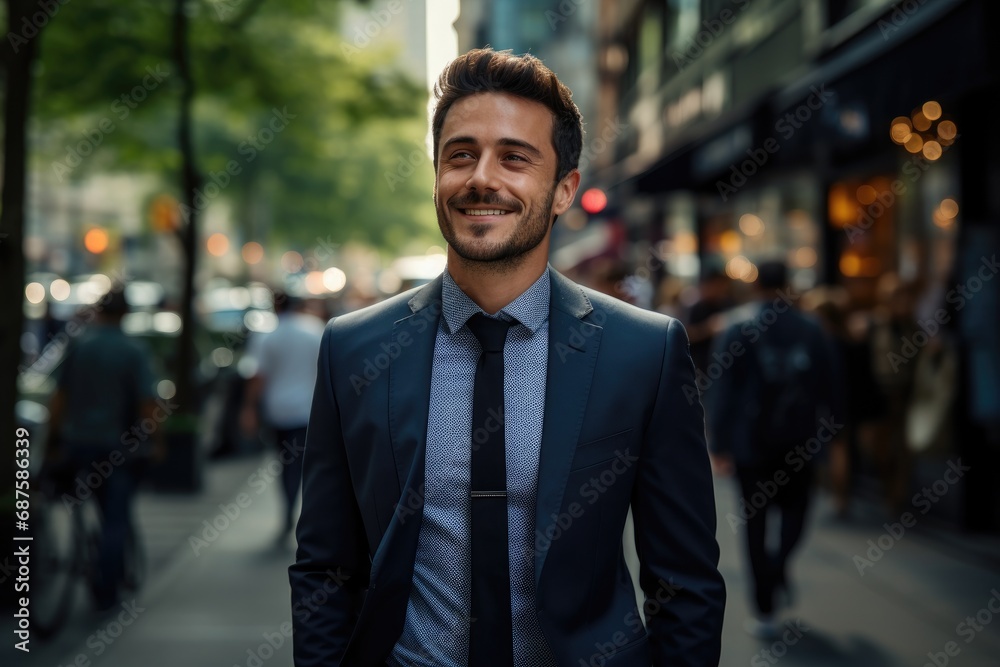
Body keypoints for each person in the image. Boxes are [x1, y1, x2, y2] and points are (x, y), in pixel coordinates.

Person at [289, 49, 725, 666]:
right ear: (436, 176)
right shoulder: (354, 348)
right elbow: (325, 567)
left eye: (515, 158)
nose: (481, 179)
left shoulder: (644, 351)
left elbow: (685, 582)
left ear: (563, 190)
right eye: (460, 155)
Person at [705, 261, 839, 638]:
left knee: (755, 520)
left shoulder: (735, 326)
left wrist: (719, 443)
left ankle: (764, 603)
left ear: (757, 284)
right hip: (801, 439)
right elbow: (832, 387)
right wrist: (833, 438)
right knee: (797, 512)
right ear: (789, 286)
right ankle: (778, 567)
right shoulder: (812, 329)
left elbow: (722, 388)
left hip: (752, 443)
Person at [46, 286, 163, 610]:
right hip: (117, 448)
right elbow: (147, 403)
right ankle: (107, 588)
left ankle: (96, 564)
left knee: (98, 507)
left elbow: (59, 398)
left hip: (78, 442)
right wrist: (156, 441)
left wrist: (53, 441)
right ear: (125, 314)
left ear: (99, 312)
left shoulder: (79, 346)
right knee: (116, 517)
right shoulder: (133, 350)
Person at [240, 293, 325, 539]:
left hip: (279, 411)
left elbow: (257, 377)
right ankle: (307, 515)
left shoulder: (267, 337)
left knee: (286, 464)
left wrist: (249, 409)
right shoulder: (315, 331)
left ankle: (288, 509)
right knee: (309, 466)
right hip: (309, 410)